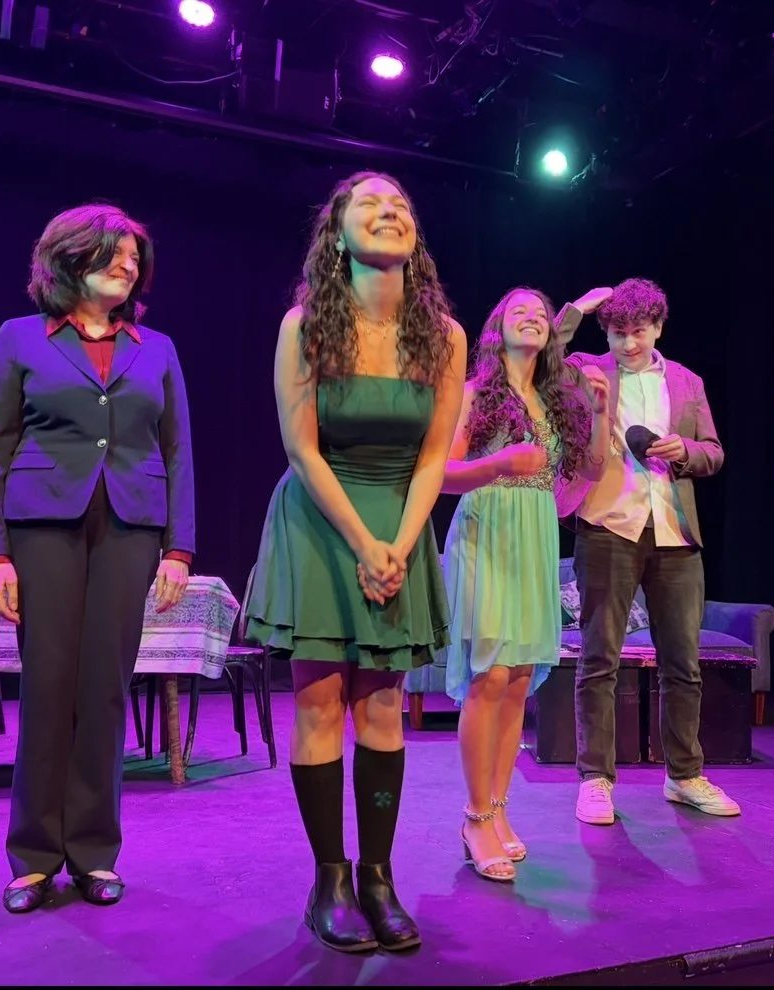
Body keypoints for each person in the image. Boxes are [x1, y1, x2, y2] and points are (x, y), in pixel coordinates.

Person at [243, 171, 466, 953]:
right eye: (368, 204)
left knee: (380, 708)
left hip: (399, 520)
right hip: (321, 520)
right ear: (336, 233)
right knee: (319, 704)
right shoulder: (304, 326)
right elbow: (301, 449)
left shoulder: (443, 336)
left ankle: (377, 877)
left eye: (400, 204)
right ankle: (329, 880)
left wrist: (398, 544)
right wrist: (363, 543)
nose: (388, 211)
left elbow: (434, 457)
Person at [0, 203, 195, 914]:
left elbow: (177, 450)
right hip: (42, 526)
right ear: (71, 258)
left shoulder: (156, 348)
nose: (129, 265)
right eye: (114, 253)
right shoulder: (19, 338)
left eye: (134, 257)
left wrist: (179, 548)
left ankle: (95, 852)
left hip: (131, 526)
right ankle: (34, 857)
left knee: (105, 687)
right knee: (48, 686)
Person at [440, 286, 609, 882]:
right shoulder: (474, 393)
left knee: (516, 684)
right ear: (497, 328)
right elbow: (441, 475)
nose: (534, 319)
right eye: (521, 312)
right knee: (489, 678)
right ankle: (474, 816)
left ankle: (499, 807)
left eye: (541, 313)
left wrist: (601, 412)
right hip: (486, 533)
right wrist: (500, 464)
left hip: (534, 537)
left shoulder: (553, 400)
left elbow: (589, 474)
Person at [558, 277, 741, 826]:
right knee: (599, 660)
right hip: (607, 526)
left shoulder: (686, 381)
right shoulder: (586, 369)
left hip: (674, 532)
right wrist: (576, 310)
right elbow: (541, 359)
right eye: (617, 332)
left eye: (638, 331)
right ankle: (595, 779)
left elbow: (714, 452)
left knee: (683, 663)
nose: (628, 343)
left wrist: (685, 451)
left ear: (658, 327)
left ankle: (684, 775)